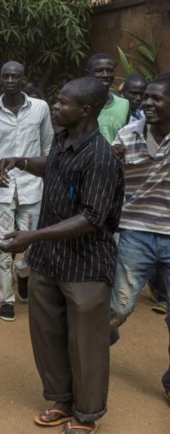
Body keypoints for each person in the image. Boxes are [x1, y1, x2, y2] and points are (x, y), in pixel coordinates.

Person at [0, 77, 123, 434]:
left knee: (86, 343)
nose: (55, 106)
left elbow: (91, 218)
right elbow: (52, 166)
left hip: (85, 265)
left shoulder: (101, 157)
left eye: (63, 102)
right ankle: (61, 399)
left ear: (85, 110)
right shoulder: (62, 139)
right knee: (48, 334)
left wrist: (32, 236)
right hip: (49, 259)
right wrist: (20, 160)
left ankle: (86, 415)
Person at [0, 60, 54, 321]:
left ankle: (23, 272)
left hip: (32, 188)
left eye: (15, 76)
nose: (10, 80)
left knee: (31, 244)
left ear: (23, 79)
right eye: (5, 76)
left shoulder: (40, 108)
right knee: (4, 246)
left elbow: (48, 148)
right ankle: (6, 299)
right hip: (2, 189)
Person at [109, 73, 170, 404]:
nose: (148, 103)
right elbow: (108, 179)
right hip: (135, 233)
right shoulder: (127, 135)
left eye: (157, 98)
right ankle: (95, 352)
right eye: (146, 97)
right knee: (117, 309)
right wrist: (113, 161)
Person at [86, 53, 130, 144]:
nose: (105, 75)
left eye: (110, 71)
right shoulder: (79, 104)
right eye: (99, 70)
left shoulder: (124, 104)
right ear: (88, 73)